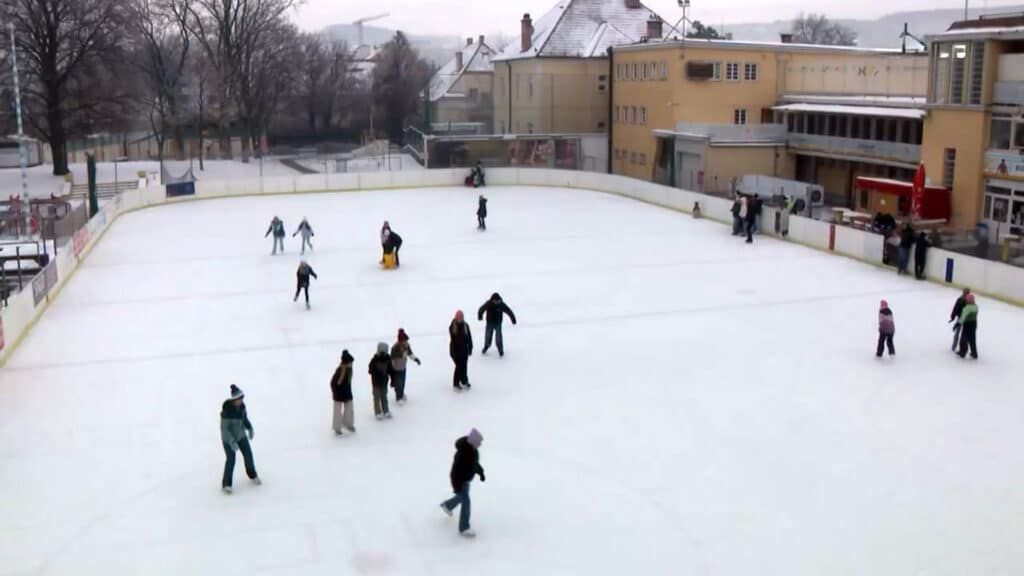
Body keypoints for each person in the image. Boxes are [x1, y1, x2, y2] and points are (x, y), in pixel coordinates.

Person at [440, 428, 485, 538]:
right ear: (473, 442)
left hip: (466, 479)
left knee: (461, 497)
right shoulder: (463, 454)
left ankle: (447, 506)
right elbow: (455, 472)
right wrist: (457, 486)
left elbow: (474, 464)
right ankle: (464, 527)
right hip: (460, 480)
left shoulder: (473, 451)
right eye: (479, 442)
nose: (480, 445)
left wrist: (481, 472)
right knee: (466, 502)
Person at [220, 384, 261, 493]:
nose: (241, 401)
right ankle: (226, 484)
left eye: (242, 398)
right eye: (239, 399)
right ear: (234, 400)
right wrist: (231, 441)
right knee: (231, 459)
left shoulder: (242, 407)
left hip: (240, 435)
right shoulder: (227, 411)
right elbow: (224, 430)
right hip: (228, 439)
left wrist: (249, 427)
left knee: (248, 455)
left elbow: (244, 418)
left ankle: (253, 475)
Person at [477, 292, 517, 357]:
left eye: (497, 301)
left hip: (498, 323)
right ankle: (486, 346)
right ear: (492, 300)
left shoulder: (501, 304)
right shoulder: (489, 303)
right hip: (489, 323)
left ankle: (500, 350)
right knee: (488, 336)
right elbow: (481, 309)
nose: (496, 302)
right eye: (495, 301)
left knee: (498, 338)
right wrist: (480, 316)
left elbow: (509, 311)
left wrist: (513, 320)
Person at [390, 329, 421, 405]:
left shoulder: (406, 346)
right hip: (396, 368)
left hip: (403, 367)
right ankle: (398, 397)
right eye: (404, 340)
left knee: (403, 382)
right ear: (401, 341)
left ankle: (401, 393)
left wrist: (416, 359)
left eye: (406, 340)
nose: (406, 342)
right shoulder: (395, 348)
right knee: (398, 383)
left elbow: (410, 354)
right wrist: (392, 368)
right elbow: (392, 359)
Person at [330, 350, 356, 435]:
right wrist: (336, 392)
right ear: (346, 363)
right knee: (337, 410)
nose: (352, 364)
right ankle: (337, 428)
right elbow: (333, 383)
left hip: (347, 392)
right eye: (350, 362)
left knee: (349, 408)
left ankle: (348, 424)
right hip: (338, 393)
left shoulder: (349, 370)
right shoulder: (340, 370)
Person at [449, 310, 473, 390]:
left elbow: (469, 337)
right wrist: (453, 353)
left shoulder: (466, 326)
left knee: (464, 366)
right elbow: (453, 340)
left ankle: (464, 381)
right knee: (459, 367)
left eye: (461, 317)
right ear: (455, 317)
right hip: (455, 351)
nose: (460, 319)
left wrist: (470, 347)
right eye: (458, 317)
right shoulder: (453, 326)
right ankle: (456, 383)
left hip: (464, 350)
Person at [369, 342, 393, 419]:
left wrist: (393, 379)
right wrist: (378, 372)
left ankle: (386, 410)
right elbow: (370, 370)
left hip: (384, 382)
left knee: (384, 396)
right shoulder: (374, 360)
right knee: (377, 397)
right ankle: (378, 412)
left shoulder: (388, 359)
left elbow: (390, 370)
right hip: (376, 382)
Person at [957, 294, 979, 359]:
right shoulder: (976, 307)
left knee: (963, 340)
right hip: (974, 324)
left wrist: (958, 324)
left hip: (967, 325)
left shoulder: (967, 308)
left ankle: (962, 353)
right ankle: (974, 353)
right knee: (972, 340)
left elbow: (963, 317)